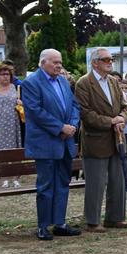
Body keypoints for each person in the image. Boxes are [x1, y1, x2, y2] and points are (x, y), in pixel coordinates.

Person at [22, 49, 82, 240]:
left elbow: (74, 105)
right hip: (46, 143)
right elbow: (35, 111)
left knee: (63, 183)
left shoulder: (63, 82)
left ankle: (60, 223)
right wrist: (60, 128)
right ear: (43, 63)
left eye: (60, 62)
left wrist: (71, 126)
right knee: (46, 185)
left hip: (65, 141)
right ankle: (43, 225)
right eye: (55, 62)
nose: (59, 65)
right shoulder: (31, 83)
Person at [75, 48, 127, 233]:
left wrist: (122, 118)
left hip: (117, 139)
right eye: (105, 59)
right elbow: (86, 114)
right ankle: (92, 220)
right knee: (96, 183)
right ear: (95, 62)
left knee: (118, 180)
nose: (110, 62)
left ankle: (115, 218)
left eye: (111, 59)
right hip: (95, 140)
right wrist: (111, 121)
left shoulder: (114, 82)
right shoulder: (84, 83)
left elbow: (125, 106)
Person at [0, 63, 25, 187]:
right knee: (1, 152)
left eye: (7, 74)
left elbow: (28, 107)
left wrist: (22, 103)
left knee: (15, 150)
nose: (5, 77)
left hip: (15, 126)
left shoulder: (18, 89)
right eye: (2, 74)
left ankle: (16, 177)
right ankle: (5, 177)